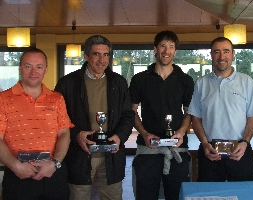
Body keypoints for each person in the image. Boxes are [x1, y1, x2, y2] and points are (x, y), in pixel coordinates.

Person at [54, 35, 134, 200]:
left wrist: (119, 137)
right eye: (96, 54)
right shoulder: (67, 84)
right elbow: (57, 119)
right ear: (86, 56)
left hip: (111, 156)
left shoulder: (119, 83)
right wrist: (77, 134)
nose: (102, 60)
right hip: (79, 156)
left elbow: (127, 115)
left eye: (106, 55)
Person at [0, 48, 73, 200]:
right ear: (20, 68)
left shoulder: (57, 98)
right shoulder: (3, 99)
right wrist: (16, 166)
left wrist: (55, 163)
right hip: (17, 175)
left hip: (53, 173)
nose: (33, 72)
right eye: (28, 66)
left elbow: (64, 133)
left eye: (39, 67)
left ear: (45, 69)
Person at [129, 30, 194, 200]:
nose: (166, 51)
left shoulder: (185, 80)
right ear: (155, 49)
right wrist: (144, 134)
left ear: (175, 51)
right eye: (163, 46)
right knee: (145, 196)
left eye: (171, 47)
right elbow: (132, 111)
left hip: (177, 149)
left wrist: (181, 132)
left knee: (177, 197)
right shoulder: (140, 79)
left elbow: (189, 113)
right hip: (147, 150)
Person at [188, 37, 253, 182]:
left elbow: (252, 116)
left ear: (233, 54)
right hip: (209, 150)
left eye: (226, 51)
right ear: (211, 55)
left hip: (240, 150)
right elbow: (195, 118)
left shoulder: (246, 81)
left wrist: (245, 142)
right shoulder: (201, 83)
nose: (222, 56)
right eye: (217, 52)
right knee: (209, 196)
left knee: (243, 195)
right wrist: (204, 143)